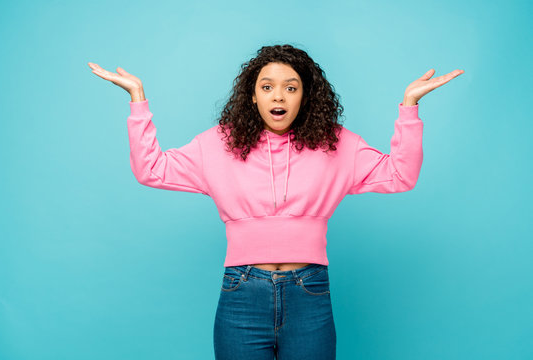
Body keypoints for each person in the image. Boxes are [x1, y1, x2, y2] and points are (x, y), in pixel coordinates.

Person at [88, 44, 464, 360]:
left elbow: (399, 175)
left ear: (305, 95)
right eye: (267, 86)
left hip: (310, 291)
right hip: (242, 292)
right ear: (253, 95)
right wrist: (138, 99)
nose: (278, 96)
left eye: (291, 87)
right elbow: (151, 169)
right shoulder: (217, 143)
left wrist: (409, 108)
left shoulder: (338, 143)